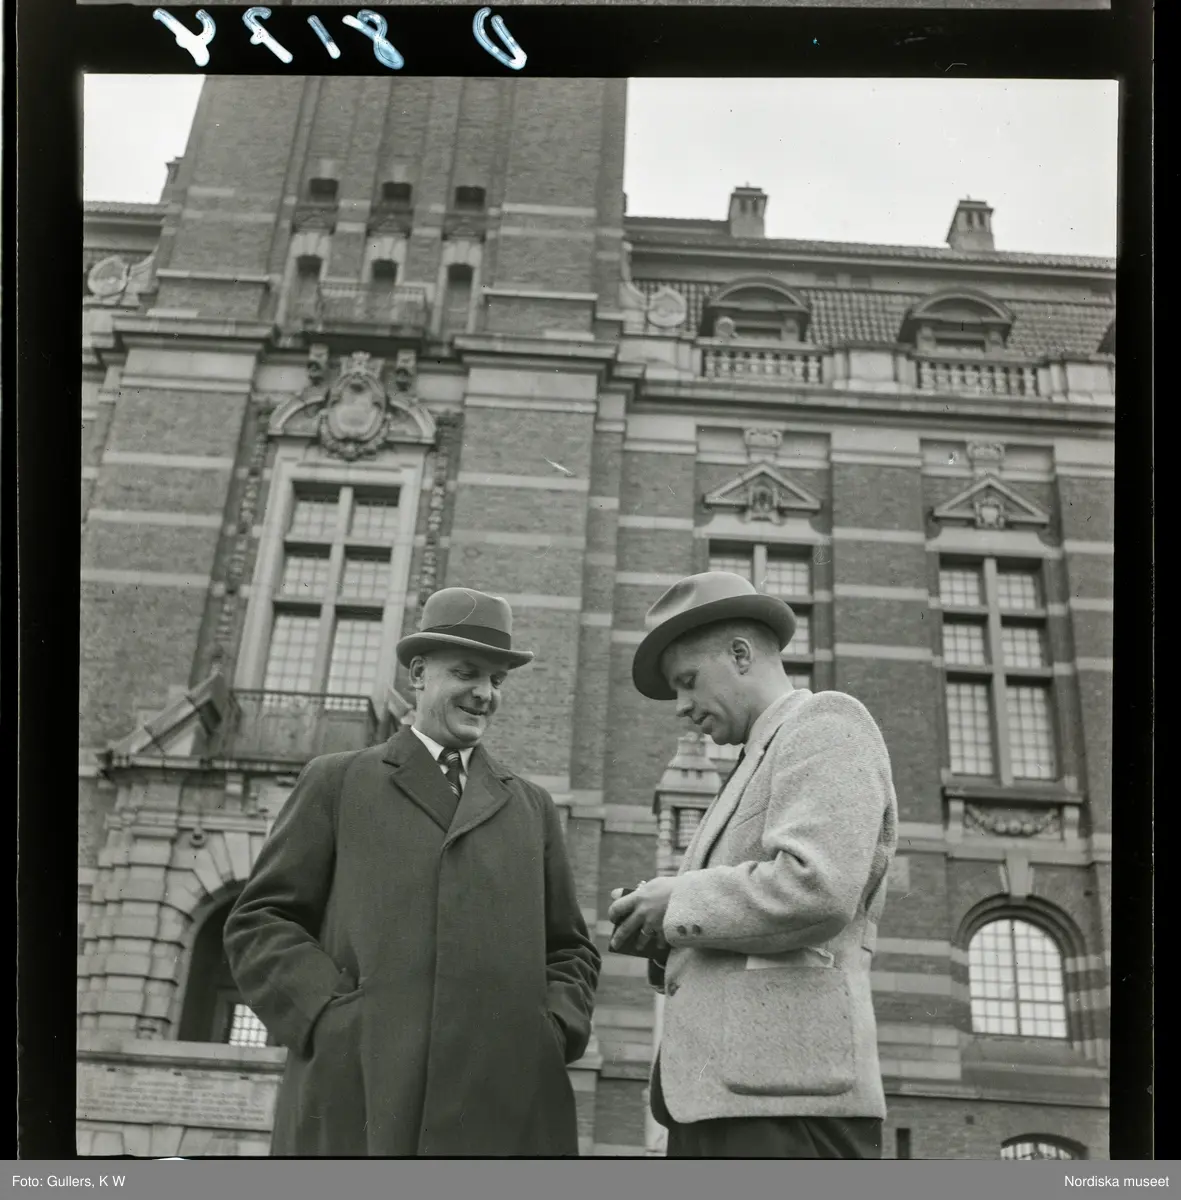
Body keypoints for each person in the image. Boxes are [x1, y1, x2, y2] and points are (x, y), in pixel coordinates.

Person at [224, 587, 600, 1157]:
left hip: (503, 1106)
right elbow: (260, 921)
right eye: (467, 673)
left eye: (496, 680)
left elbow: (570, 950)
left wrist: (549, 1032)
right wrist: (330, 1016)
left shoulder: (533, 807)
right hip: (361, 1097)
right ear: (419, 674)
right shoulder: (337, 781)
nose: (485, 694)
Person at [608, 571, 897, 1159]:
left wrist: (677, 902)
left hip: (785, 1104)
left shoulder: (826, 724)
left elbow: (817, 888)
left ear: (740, 655)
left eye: (687, 682)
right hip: (726, 1097)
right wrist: (661, 929)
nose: (681, 708)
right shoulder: (752, 760)